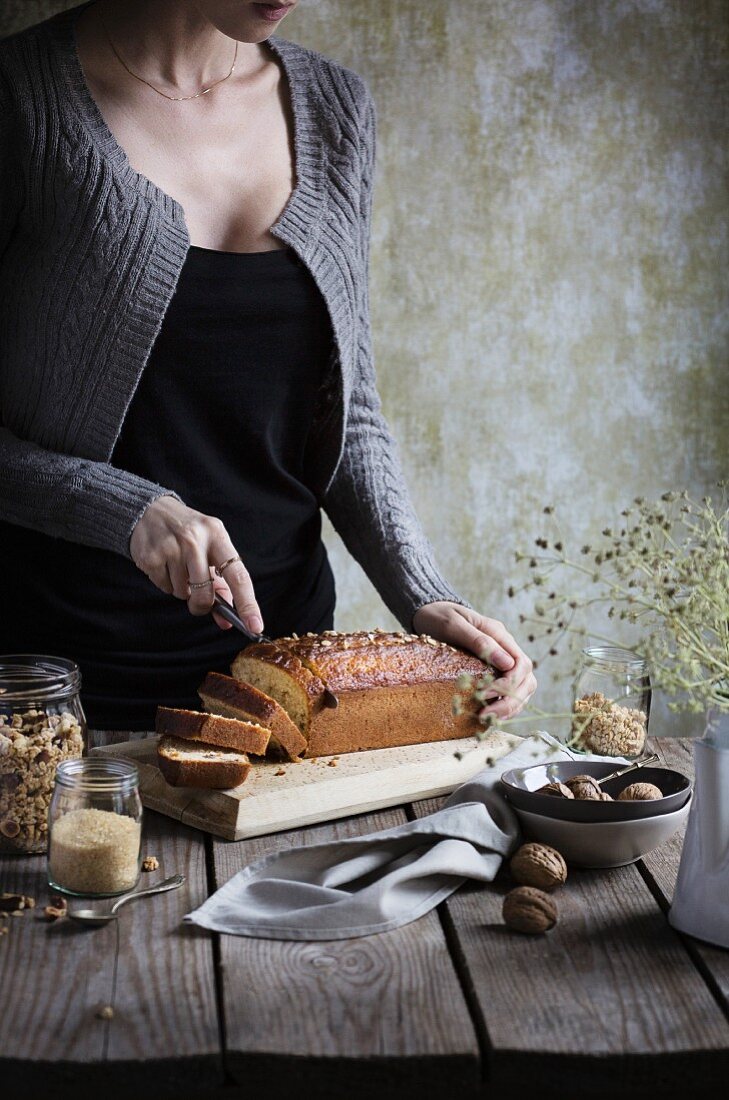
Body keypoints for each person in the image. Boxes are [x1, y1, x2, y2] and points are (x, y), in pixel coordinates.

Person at [0, 0, 536, 730]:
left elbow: (349, 414)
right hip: (60, 698)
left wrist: (421, 593)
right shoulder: (21, 101)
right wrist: (127, 512)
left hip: (290, 683)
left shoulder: (335, 109)